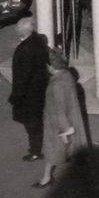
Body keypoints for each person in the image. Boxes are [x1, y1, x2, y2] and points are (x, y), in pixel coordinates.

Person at [33, 49, 89, 190]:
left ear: (51, 66)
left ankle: (46, 178)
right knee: (69, 148)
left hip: (56, 123)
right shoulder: (67, 75)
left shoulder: (56, 84)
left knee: (51, 150)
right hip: (71, 117)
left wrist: (64, 130)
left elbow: (59, 109)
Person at [9, 17, 49, 163]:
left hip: (29, 94)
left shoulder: (23, 50)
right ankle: (35, 148)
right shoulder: (38, 42)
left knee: (32, 124)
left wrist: (16, 96)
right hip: (39, 89)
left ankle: (35, 151)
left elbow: (23, 77)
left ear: (22, 31)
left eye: (18, 28)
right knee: (35, 121)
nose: (16, 30)